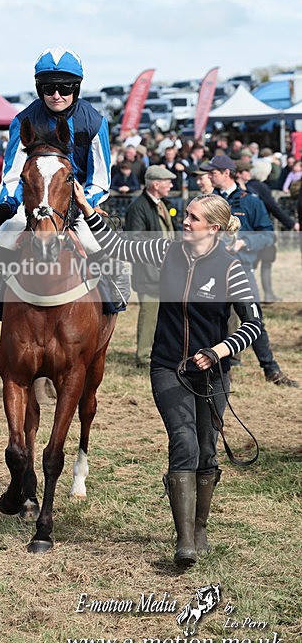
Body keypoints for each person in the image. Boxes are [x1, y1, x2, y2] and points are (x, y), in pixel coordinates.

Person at [73, 182, 264, 567]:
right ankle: (184, 542)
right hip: (168, 367)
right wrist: (87, 209)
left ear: (213, 228)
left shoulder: (232, 268)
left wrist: (218, 351)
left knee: (207, 449)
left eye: (193, 217)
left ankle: (200, 526)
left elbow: (254, 324)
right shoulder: (167, 250)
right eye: (186, 214)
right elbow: (118, 246)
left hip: (214, 373)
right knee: (184, 443)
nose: (185, 222)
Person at [0, 46, 127, 310]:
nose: (57, 95)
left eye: (65, 88)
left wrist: (81, 201)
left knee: (95, 242)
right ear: (40, 89)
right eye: (49, 88)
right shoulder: (23, 120)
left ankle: (113, 282)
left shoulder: (94, 122)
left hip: (78, 200)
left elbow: (102, 178)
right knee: (3, 236)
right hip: (34, 199)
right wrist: (8, 204)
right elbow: (13, 174)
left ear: (76, 88)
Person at [201, 154, 298, 388]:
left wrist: (244, 243)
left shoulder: (250, 201)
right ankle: (214, 368)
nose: (208, 175)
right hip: (211, 270)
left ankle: (270, 368)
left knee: (253, 319)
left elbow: (267, 233)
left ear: (226, 173)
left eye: (213, 172)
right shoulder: (207, 202)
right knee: (211, 320)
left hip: (241, 268)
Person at [124, 165, 177, 368]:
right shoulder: (138, 207)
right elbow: (134, 241)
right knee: (149, 315)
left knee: (164, 315)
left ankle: (160, 352)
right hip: (148, 272)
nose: (171, 185)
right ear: (156, 184)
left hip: (165, 270)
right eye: (167, 181)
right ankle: (144, 357)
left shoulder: (162, 204)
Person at [237, 160, 299, 302]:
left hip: (247, 234)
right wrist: (291, 223)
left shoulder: (248, 187)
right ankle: (268, 294)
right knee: (266, 262)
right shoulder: (260, 187)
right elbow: (274, 208)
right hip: (260, 233)